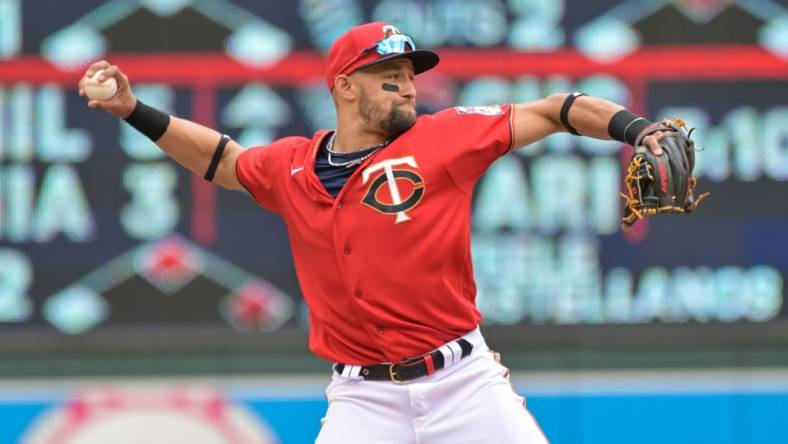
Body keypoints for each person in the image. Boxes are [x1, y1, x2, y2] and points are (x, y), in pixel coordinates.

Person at [80, 21, 667, 444]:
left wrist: (636, 129)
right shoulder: (291, 166)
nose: (408, 87)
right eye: (389, 75)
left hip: (464, 383)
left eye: (410, 76)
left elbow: (555, 108)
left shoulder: (443, 139)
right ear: (345, 86)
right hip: (363, 399)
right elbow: (225, 160)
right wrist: (134, 109)